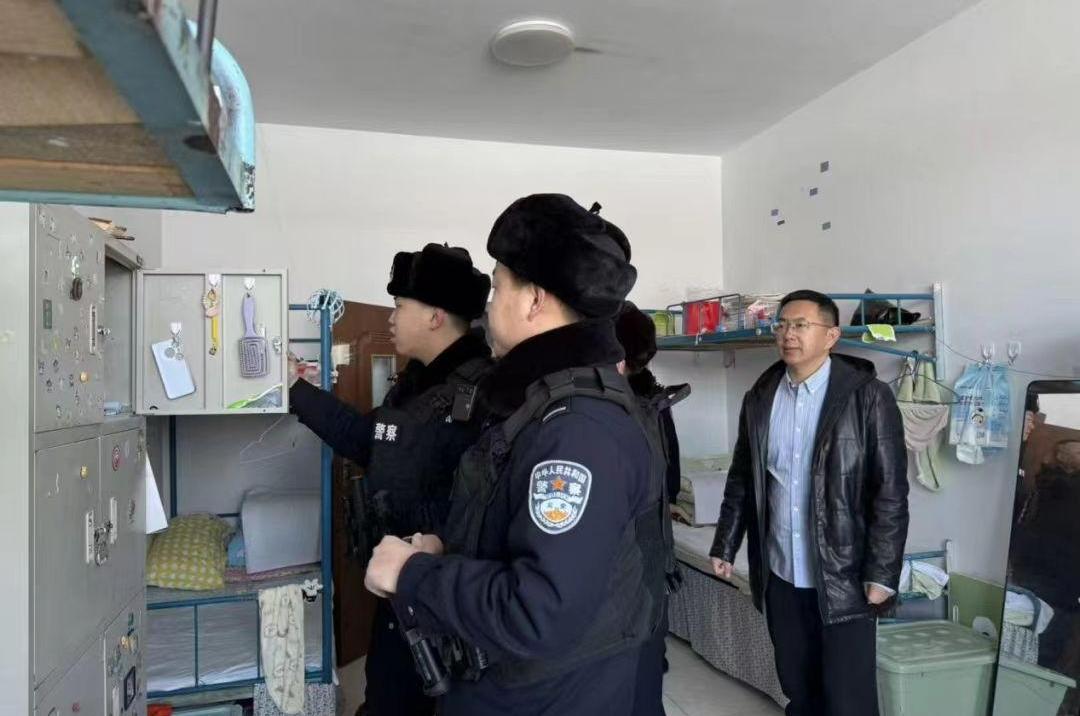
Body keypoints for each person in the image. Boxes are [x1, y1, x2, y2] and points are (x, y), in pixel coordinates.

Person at [363, 194, 668, 716]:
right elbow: (527, 539)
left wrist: (413, 575)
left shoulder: (577, 432)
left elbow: (539, 611)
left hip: (543, 699)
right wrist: (448, 550)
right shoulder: (542, 404)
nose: (488, 304)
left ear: (534, 302)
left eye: (498, 285)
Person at [288, 243, 492, 716]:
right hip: (398, 584)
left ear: (435, 316)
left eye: (400, 306)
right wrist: (295, 389)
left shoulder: (485, 393)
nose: (391, 318)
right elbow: (365, 438)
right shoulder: (414, 386)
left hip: (443, 595)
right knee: (385, 693)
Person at [709, 289, 909, 716]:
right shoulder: (761, 398)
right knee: (798, 691)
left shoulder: (868, 397)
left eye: (800, 325)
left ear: (831, 336)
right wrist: (725, 543)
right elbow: (743, 477)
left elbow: (890, 492)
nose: (788, 334)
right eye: (781, 325)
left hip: (844, 577)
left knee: (848, 699)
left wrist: (882, 573)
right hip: (782, 573)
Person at [616, 302, 690, 716]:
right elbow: (671, 473)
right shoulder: (655, 400)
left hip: (629, 557)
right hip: (653, 553)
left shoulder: (613, 406)